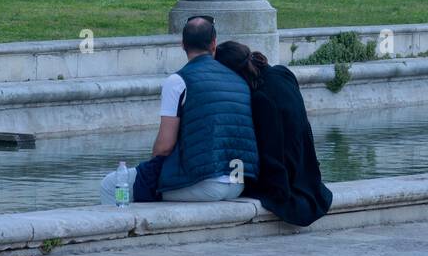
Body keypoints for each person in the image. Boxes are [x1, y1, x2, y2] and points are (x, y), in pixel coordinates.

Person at [100, 17, 258, 205]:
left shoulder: (178, 81)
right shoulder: (239, 81)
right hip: (237, 183)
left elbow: (164, 147)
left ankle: (123, 231)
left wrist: (150, 171)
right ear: (214, 43)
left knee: (111, 184)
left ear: (182, 44)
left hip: (203, 184)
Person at [215, 41, 332, 228]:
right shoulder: (282, 73)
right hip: (306, 170)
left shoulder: (260, 99)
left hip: (286, 182)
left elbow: (271, 151)